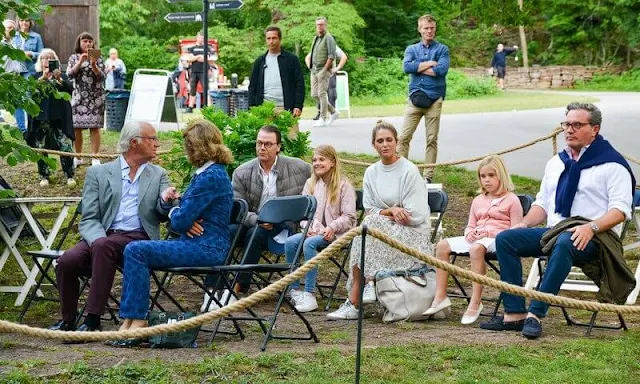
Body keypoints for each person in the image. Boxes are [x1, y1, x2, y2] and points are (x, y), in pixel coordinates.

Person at [480, 102, 636, 339]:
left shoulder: (612, 165)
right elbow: (542, 204)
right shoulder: (557, 162)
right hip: (555, 231)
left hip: (596, 237)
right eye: (566, 124)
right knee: (506, 239)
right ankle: (514, 314)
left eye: (577, 125)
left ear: (594, 129)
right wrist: (523, 223)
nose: (569, 130)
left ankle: (535, 314)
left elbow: (620, 210)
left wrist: (590, 227)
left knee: (565, 242)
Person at [110, 119, 234, 346]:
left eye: (189, 144)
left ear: (199, 145)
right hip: (195, 243)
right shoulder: (205, 173)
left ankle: (137, 322)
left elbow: (181, 220)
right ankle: (129, 321)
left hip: (206, 248)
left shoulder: (211, 176)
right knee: (134, 250)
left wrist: (178, 213)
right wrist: (175, 207)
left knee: (136, 250)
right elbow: (182, 216)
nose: (187, 149)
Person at [48, 121, 173, 334]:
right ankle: (68, 320)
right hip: (101, 235)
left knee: (104, 247)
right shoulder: (99, 173)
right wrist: (97, 239)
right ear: (134, 142)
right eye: (152, 139)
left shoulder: (158, 174)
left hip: (137, 238)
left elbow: (163, 214)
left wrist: (166, 201)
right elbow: (88, 217)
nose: (157, 144)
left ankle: (93, 319)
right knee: (67, 260)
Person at [327, 120, 432, 320]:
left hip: (413, 236)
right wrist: (391, 211)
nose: (385, 144)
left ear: (396, 142)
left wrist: (386, 215)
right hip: (381, 231)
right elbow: (370, 209)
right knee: (367, 228)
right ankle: (364, 288)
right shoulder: (371, 172)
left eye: (389, 140)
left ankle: (359, 294)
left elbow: (416, 214)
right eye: (380, 141)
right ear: (374, 145)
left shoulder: (409, 171)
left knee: (367, 228)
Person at [200, 125, 311, 311]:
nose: (262, 148)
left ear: (278, 147)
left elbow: (320, 186)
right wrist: (258, 219)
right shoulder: (242, 172)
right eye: (259, 143)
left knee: (254, 233)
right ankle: (212, 289)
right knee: (227, 232)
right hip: (252, 222)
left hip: (283, 227)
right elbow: (237, 207)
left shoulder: (300, 168)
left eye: (268, 144)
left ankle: (235, 290)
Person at [424, 155, 523, 324]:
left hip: (498, 240)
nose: (487, 180)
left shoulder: (512, 200)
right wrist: (469, 232)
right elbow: (470, 225)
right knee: (442, 245)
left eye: (491, 175)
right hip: (477, 237)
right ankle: (440, 296)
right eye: (483, 176)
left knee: (476, 248)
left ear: (502, 175)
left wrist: (490, 233)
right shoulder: (478, 200)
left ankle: (476, 301)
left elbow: (516, 232)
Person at [284, 145, 357, 312]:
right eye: (314, 160)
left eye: (321, 159)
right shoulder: (310, 184)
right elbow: (303, 214)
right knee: (290, 242)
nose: (317, 163)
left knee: (308, 245)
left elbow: (349, 217)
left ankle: (309, 293)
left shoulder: (344, 186)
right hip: (314, 232)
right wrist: (309, 226)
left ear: (332, 162)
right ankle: (294, 290)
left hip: (337, 234)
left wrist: (332, 226)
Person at [396, 14, 450, 184]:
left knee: (431, 139)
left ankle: (427, 176)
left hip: (434, 99)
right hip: (414, 98)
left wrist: (418, 67)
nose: (429, 31)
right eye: (426, 28)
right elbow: (407, 67)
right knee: (403, 137)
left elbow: (441, 71)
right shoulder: (411, 49)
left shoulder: (442, 49)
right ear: (419, 29)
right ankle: (401, 172)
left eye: (432, 28)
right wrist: (430, 63)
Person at [26, 48, 76, 187]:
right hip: (41, 119)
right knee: (41, 147)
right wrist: (43, 77)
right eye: (44, 58)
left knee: (65, 146)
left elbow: (70, 90)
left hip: (60, 118)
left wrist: (58, 78)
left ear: (55, 61)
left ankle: (69, 175)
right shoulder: (35, 77)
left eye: (50, 58)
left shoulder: (62, 76)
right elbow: (30, 93)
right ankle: (44, 176)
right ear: (40, 61)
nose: (47, 60)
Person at [248, 26, 305, 138]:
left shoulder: (291, 59)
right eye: (268, 38)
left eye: (274, 38)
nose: (271, 41)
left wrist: (298, 105)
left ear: (280, 39)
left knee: (291, 139)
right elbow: (252, 87)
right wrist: (253, 108)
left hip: (286, 108)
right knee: (266, 141)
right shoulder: (260, 61)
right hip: (265, 108)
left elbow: (299, 83)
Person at [67, 31, 106, 167]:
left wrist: (94, 64)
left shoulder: (99, 58)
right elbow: (70, 75)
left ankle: (95, 157)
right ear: (79, 43)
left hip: (96, 97)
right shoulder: (73, 58)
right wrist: (80, 62)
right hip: (79, 98)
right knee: (77, 128)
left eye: (90, 41)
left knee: (95, 127)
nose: (88, 43)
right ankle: (78, 157)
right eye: (85, 41)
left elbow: (102, 77)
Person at [12, 17, 43, 134]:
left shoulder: (36, 37)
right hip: (15, 71)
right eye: (21, 20)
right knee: (16, 99)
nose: (24, 23)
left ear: (30, 23)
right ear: (18, 22)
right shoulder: (14, 36)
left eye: (27, 21)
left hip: (29, 71)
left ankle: (31, 128)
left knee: (27, 97)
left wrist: (31, 54)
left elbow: (41, 53)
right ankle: (22, 129)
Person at [309, 17, 339, 127]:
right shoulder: (316, 38)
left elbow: (331, 56)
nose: (320, 27)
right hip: (314, 70)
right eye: (318, 25)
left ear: (326, 25)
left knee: (321, 93)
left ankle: (323, 118)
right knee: (314, 94)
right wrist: (311, 66)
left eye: (322, 24)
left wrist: (324, 70)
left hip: (324, 70)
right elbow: (312, 54)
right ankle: (333, 111)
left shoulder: (329, 38)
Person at [306, 45, 348, 120]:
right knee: (316, 94)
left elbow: (344, 57)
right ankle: (328, 112)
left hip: (329, 73)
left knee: (330, 92)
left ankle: (327, 115)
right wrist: (311, 68)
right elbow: (308, 58)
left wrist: (337, 68)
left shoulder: (333, 46)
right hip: (318, 73)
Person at [185, 31, 216, 113]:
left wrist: (196, 57)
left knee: (206, 89)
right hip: (194, 71)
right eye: (200, 37)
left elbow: (207, 59)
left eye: (203, 38)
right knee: (192, 89)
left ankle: (209, 108)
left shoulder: (207, 48)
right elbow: (189, 59)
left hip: (204, 71)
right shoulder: (192, 48)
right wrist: (198, 57)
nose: (201, 39)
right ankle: (190, 107)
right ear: (197, 37)